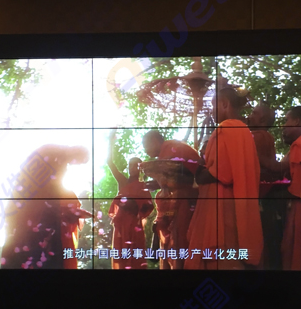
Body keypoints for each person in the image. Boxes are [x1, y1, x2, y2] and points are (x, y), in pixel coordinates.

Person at [185, 86, 263, 270]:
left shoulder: (225, 129)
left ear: (225, 104)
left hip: (220, 205)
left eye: (214, 105)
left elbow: (221, 173)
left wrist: (199, 169)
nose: (212, 111)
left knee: (219, 258)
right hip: (235, 203)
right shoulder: (244, 131)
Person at [1, 144, 91, 270]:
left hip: (25, 208)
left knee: (21, 247)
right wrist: (71, 203)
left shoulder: (54, 153)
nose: (74, 164)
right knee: (37, 251)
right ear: (77, 153)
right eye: (78, 161)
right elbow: (50, 188)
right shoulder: (54, 155)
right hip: (34, 212)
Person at [142, 130, 202, 269]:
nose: (145, 150)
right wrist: (157, 183)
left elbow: (183, 178)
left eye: (146, 145)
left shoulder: (170, 150)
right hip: (180, 200)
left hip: (186, 201)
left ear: (155, 141)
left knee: (179, 243)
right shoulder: (166, 152)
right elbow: (175, 178)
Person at [107, 133, 154, 270]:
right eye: (130, 165)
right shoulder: (123, 181)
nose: (132, 168)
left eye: (135, 165)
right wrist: (110, 141)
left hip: (135, 225)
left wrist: (136, 207)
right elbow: (110, 162)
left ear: (140, 168)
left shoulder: (144, 187)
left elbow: (148, 207)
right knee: (121, 255)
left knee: (136, 255)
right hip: (121, 224)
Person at [280, 106, 301, 270]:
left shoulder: (300, 144)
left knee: (296, 250)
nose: (284, 126)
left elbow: (298, 189)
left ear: (297, 122)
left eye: (287, 120)